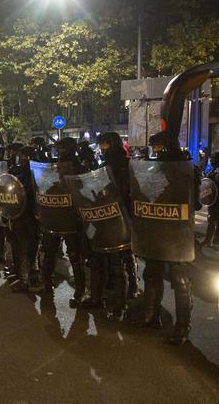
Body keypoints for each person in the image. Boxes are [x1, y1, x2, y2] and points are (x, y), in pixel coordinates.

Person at [140, 131, 194, 345]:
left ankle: (182, 327)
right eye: (154, 147)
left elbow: (195, 202)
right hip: (155, 229)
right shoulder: (152, 170)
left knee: (179, 280)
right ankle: (150, 316)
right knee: (152, 273)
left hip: (177, 233)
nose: (155, 151)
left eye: (159, 147)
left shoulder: (187, 170)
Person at [84, 132, 134, 321]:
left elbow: (127, 193)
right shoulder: (103, 166)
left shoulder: (126, 166)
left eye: (105, 144)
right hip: (102, 218)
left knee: (117, 264)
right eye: (101, 145)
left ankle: (120, 305)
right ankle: (97, 297)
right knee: (97, 260)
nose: (102, 148)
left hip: (119, 220)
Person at [39, 137, 88, 307]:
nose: (59, 152)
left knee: (74, 256)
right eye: (57, 149)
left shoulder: (80, 168)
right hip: (55, 214)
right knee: (50, 251)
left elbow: (84, 192)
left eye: (61, 149)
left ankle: (80, 290)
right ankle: (46, 282)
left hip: (71, 217)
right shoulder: (53, 167)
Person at [7, 145, 41, 292]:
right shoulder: (37, 173)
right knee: (30, 248)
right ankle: (31, 277)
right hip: (29, 217)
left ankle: (26, 280)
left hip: (25, 216)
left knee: (25, 248)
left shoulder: (30, 174)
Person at [201, 152, 219, 247]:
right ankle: (216, 239)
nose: (211, 160)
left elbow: (217, 184)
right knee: (217, 220)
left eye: (213, 158)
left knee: (212, 218)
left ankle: (208, 240)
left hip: (218, 199)